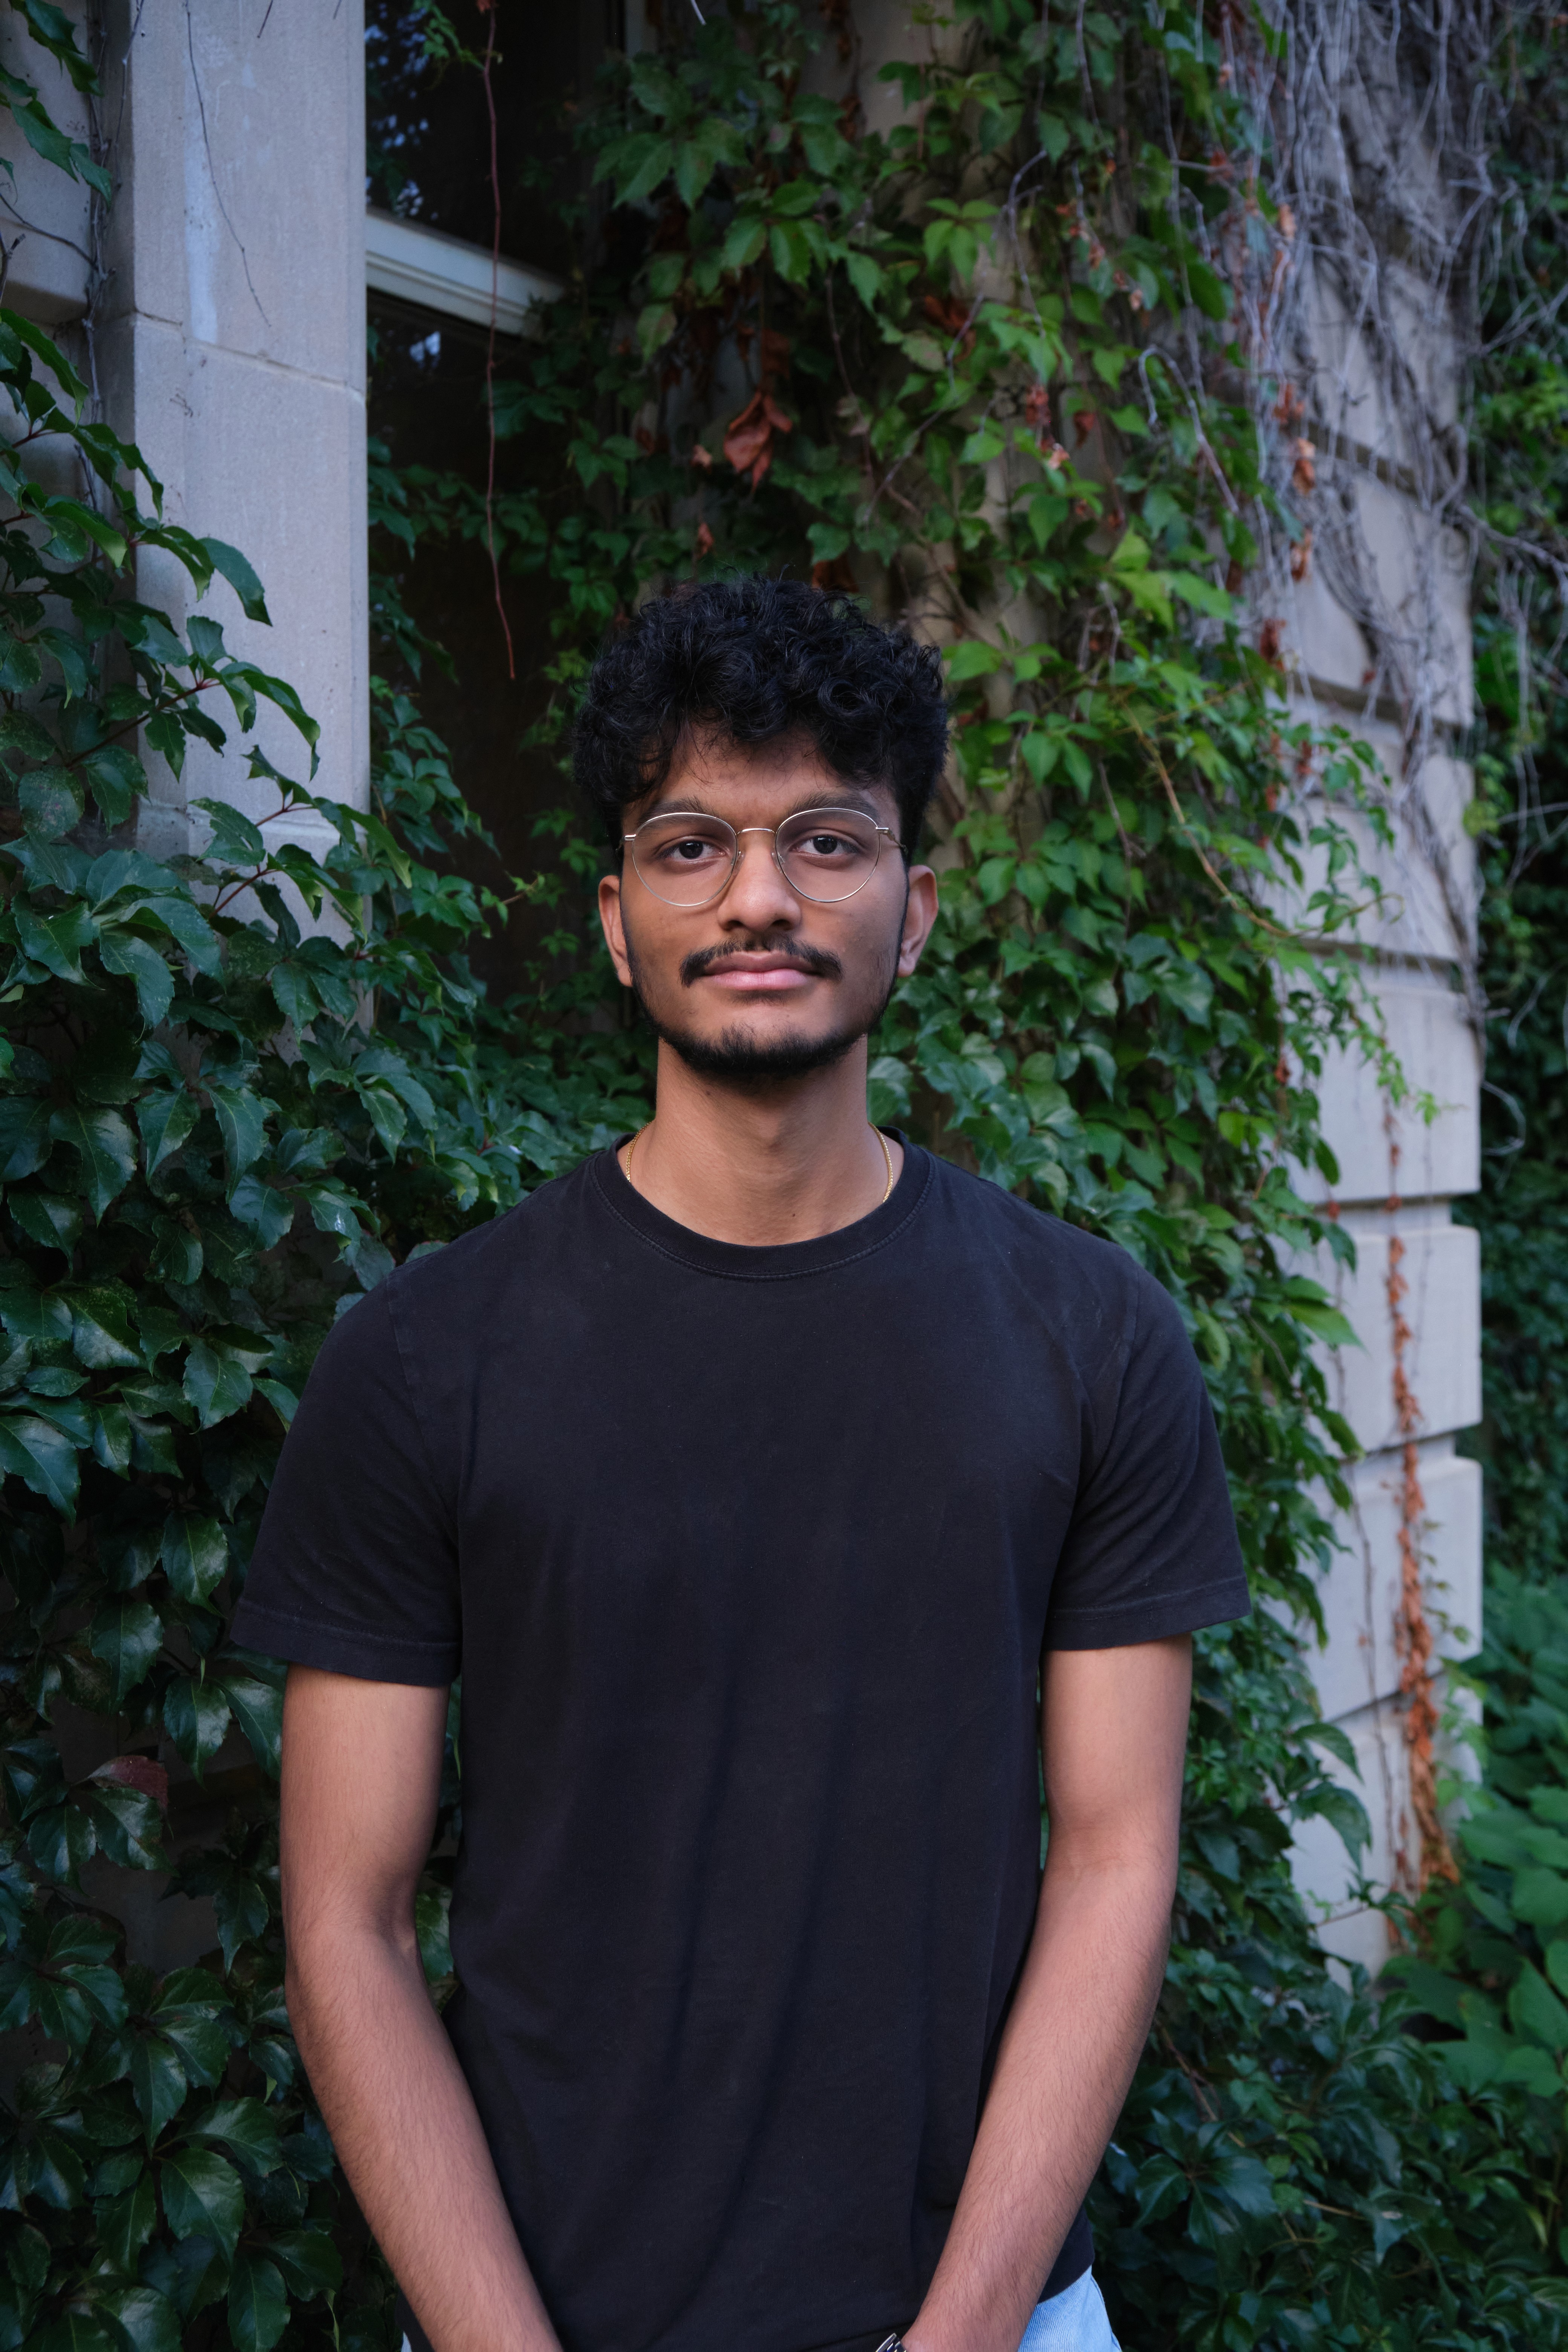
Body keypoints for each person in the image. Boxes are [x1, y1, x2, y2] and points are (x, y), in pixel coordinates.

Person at [236, 575, 1249, 2352]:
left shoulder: (1091, 1338)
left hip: (990, 2320)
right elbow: (346, 1914)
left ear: (915, 912)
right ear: (616, 920)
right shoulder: (421, 1359)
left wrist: (957, 2339)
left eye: (826, 840)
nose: (759, 895)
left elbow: (1110, 1857)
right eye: (688, 842)